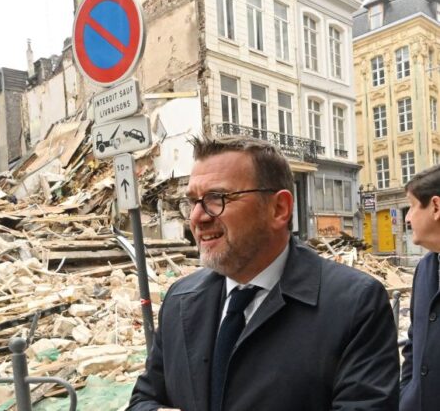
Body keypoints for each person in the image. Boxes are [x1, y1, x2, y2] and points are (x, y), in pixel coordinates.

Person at [127, 135, 399, 411]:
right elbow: (143, 399)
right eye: (193, 201)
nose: (198, 217)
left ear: (279, 209)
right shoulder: (180, 300)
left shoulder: (355, 305)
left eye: (217, 198)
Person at [400, 165, 440, 410]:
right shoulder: (425, 269)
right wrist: (407, 395)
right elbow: (414, 343)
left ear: (436, 207)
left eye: (412, 205)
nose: (407, 217)